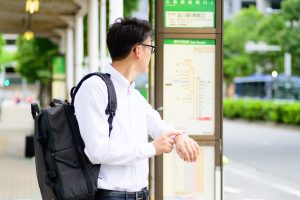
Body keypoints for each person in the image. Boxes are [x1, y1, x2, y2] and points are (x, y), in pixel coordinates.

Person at [74, 17, 200, 200]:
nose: (152, 54)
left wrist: (180, 136)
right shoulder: (94, 87)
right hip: (108, 196)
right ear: (138, 50)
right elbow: (97, 151)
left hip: (140, 195)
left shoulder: (132, 94)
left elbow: (158, 125)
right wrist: (151, 148)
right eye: (151, 48)